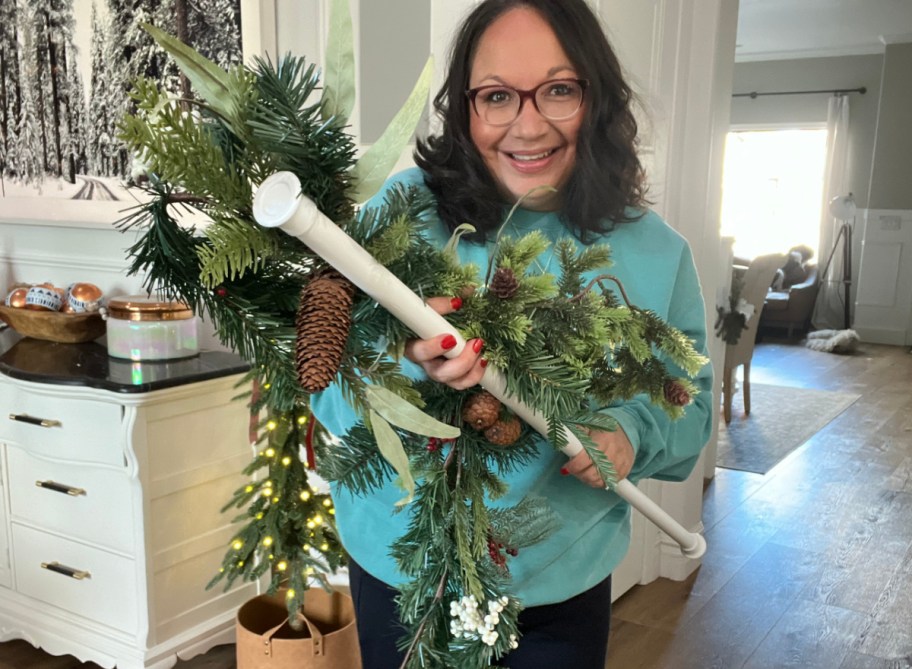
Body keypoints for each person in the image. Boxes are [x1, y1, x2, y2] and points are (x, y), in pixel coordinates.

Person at [311, 1, 714, 667]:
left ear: (597, 95)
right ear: (466, 110)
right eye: (497, 96)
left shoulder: (656, 254)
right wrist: (409, 370)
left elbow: (689, 407)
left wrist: (631, 430)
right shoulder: (402, 213)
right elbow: (327, 386)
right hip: (402, 565)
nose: (528, 125)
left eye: (559, 89)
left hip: (562, 575)